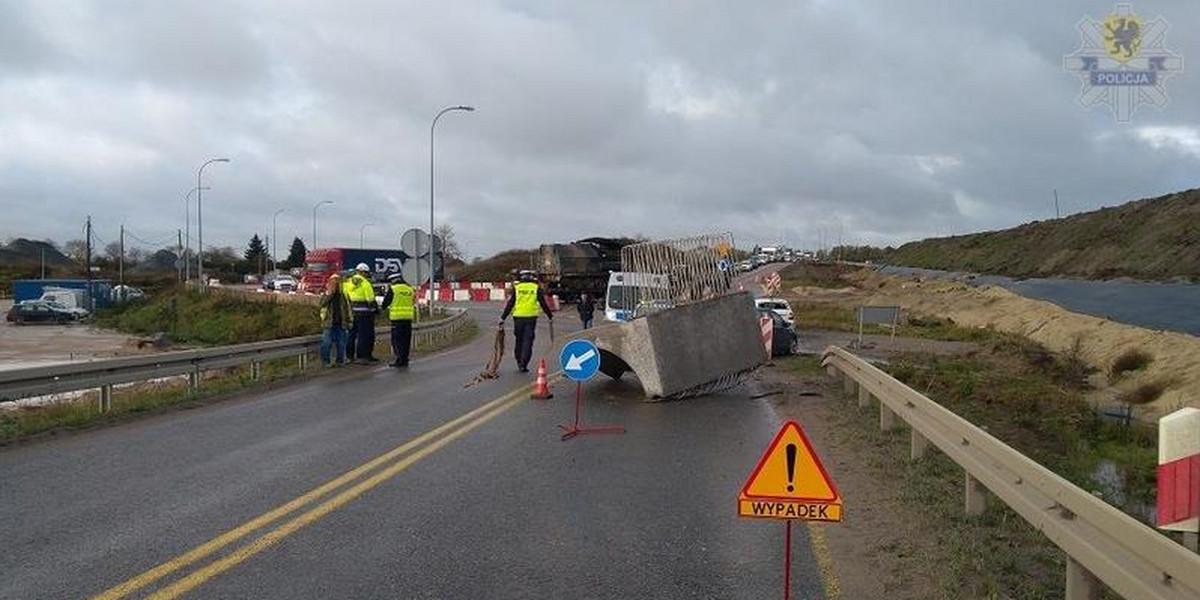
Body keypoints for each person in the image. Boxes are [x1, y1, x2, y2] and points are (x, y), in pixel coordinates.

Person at [498, 270, 554, 373]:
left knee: (519, 340)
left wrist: (503, 317)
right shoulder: (535, 288)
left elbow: (510, 303)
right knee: (528, 341)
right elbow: (543, 304)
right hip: (531, 318)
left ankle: (519, 360)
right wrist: (549, 315)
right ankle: (524, 363)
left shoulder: (517, 288)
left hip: (518, 317)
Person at [380, 272, 415, 368]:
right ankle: (405, 359)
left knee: (397, 341)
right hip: (408, 318)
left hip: (397, 319)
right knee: (406, 340)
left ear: (393, 280)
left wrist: (383, 308)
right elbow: (413, 301)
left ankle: (399, 360)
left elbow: (385, 304)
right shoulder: (410, 289)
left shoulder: (393, 289)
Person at [346, 262, 379, 364]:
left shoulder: (349, 282)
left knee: (351, 335)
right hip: (365, 314)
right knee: (364, 336)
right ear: (363, 272)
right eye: (366, 272)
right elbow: (370, 300)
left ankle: (349, 356)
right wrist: (375, 310)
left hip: (352, 313)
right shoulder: (365, 283)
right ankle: (363, 356)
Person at [318, 274, 352, 367]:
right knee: (326, 342)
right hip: (329, 322)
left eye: (338, 282)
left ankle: (340, 361)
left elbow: (347, 308)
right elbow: (321, 304)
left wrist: (349, 321)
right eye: (334, 282)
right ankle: (326, 362)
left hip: (341, 322)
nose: (336, 284)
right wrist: (330, 293)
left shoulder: (343, 295)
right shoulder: (327, 293)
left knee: (341, 343)